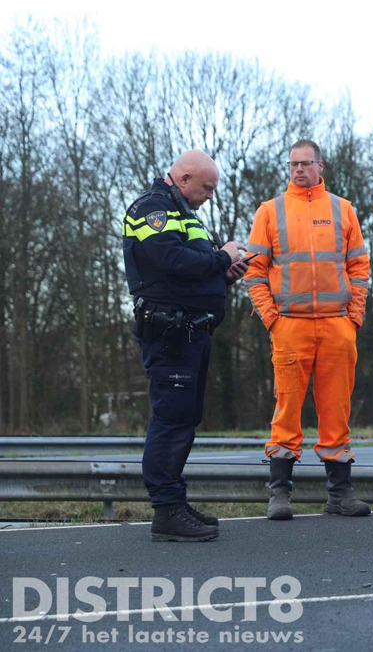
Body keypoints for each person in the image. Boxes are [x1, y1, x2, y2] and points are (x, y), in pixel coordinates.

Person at [122, 150, 249, 541]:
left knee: (183, 419)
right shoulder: (152, 208)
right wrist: (219, 257)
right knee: (171, 419)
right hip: (170, 335)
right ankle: (166, 511)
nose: (210, 195)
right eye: (207, 187)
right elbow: (169, 261)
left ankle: (174, 502)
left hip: (191, 333)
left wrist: (224, 275)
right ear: (184, 178)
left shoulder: (185, 214)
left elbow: (189, 276)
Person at [245, 139, 371, 520]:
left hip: (336, 325)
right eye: (293, 164)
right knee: (287, 410)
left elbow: (359, 267)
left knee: (337, 411)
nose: (298, 170)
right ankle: (279, 494)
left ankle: (340, 494)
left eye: (305, 163)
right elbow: (254, 271)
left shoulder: (342, 209)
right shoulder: (270, 211)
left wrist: (354, 316)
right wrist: (272, 318)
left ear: (320, 166)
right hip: (291, 325)